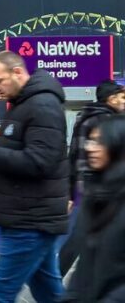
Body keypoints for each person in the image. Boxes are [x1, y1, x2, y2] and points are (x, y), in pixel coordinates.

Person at [0, 51, 70, 303]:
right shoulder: (24, 104)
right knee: (48, 291)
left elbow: (39, 162)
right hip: (29, 216)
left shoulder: (42, 106)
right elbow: (21, 153)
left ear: (17, 72)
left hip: (30, 220)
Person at [59, 80, 125, 277]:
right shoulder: (108, 121)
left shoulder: (84, 117)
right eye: (122, 97)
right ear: (111, 99)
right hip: (106, 185)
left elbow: (73, 155)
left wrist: (70, 191)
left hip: (89, 183)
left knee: (86, 235)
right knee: (84, 235)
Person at [63, 115, 125, 302]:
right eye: (90, 140)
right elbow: (86, 265)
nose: (89, 147)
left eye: (99, 142)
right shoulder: (96, 194)